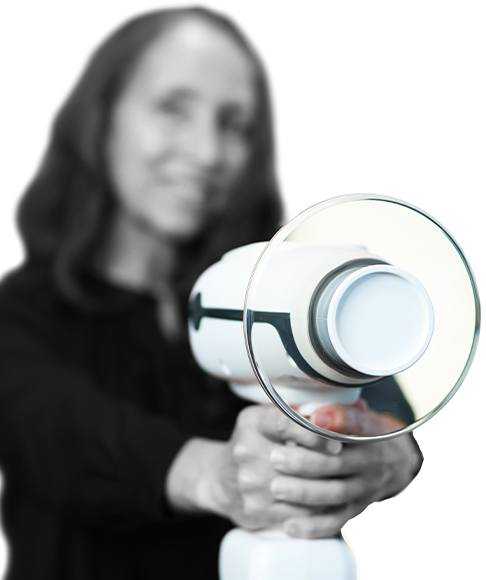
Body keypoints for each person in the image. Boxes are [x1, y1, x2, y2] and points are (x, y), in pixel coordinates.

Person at [0, 7, 423, 579]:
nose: (207, 153)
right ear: (101, 118)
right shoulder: (20, 315)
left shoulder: (268, 296)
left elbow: (381, 402)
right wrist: (213, 474)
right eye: (174, 108)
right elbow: (58, 435)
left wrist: (388, 453)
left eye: (234, 124)